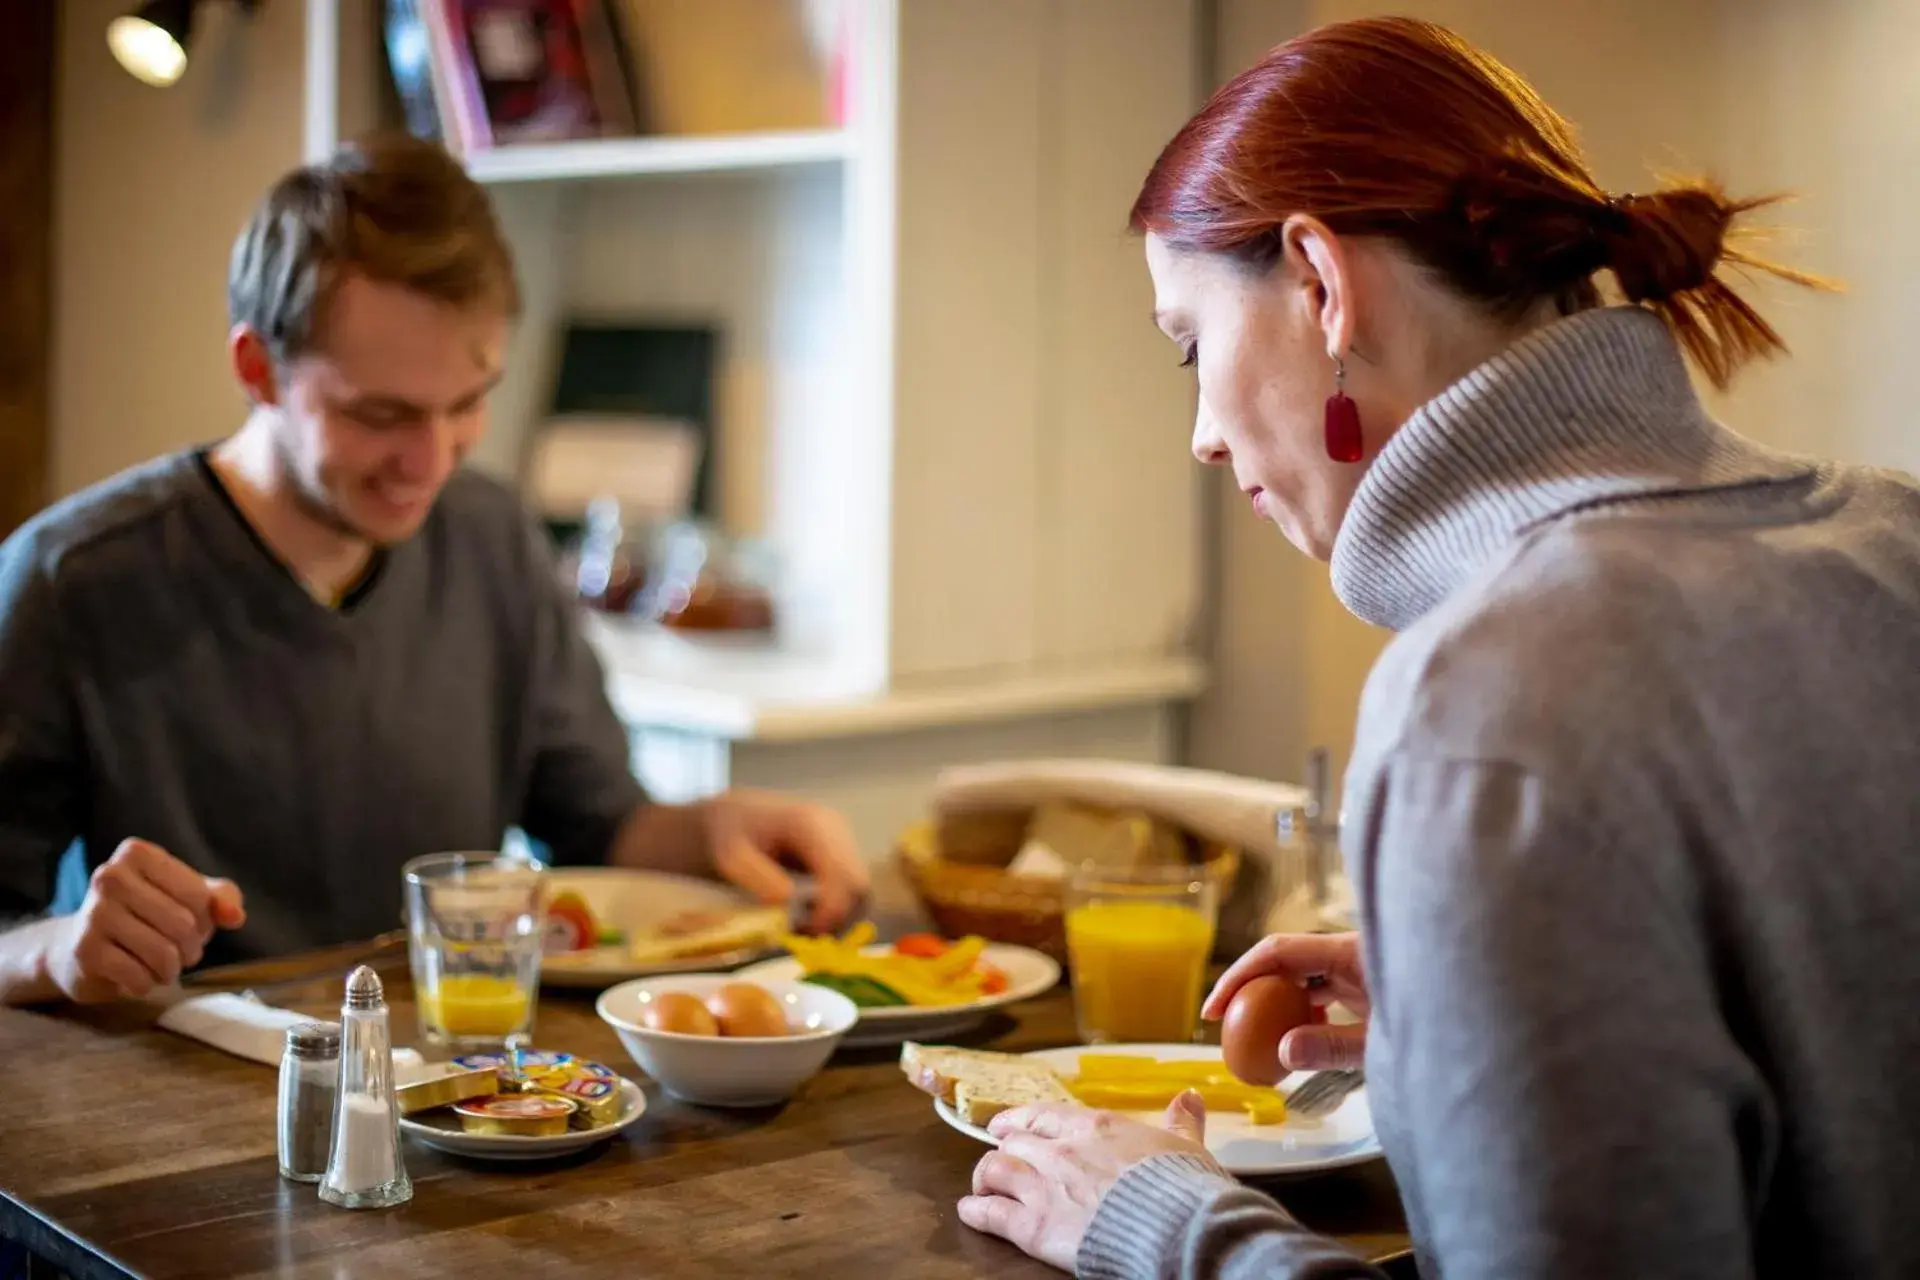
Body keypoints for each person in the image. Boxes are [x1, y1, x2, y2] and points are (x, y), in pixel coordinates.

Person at [950, 16, 1920, 1279]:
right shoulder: (1894, 532)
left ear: (1320, 283)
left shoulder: (1489, 698)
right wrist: (1474, 997)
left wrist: (1168, 1222)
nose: (1201, 431)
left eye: (1191, 345)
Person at [0, 135, 868, 1008]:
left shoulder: (490, 535)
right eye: (381, 413)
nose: (431, 459)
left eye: (468, 403)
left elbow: (601, 828)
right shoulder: (70, 578)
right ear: (257, 368)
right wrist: (60, 949)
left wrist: (719, 829)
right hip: (170, 1099)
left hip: (459, 1079)